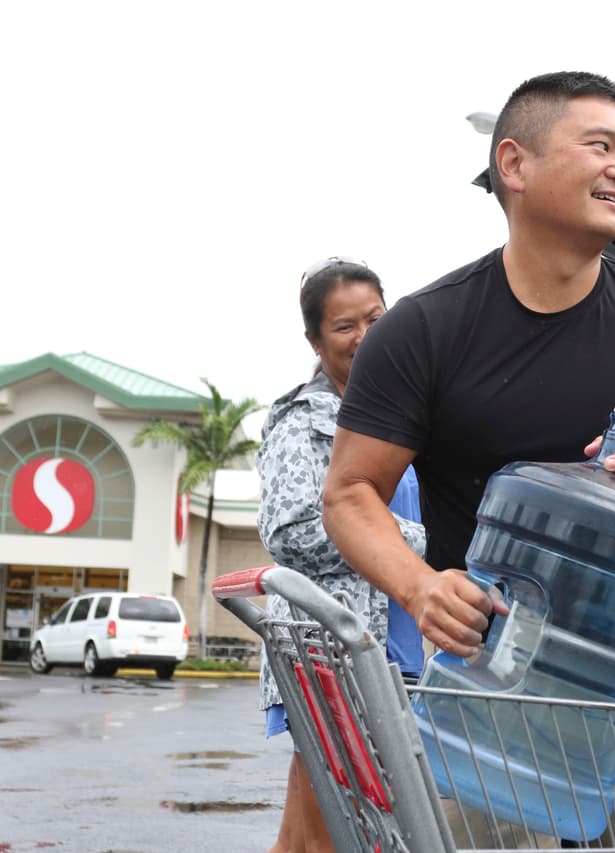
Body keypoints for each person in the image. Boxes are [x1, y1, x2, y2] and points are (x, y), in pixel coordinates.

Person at [322, 71, 615, 846]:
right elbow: (351, 492)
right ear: (514, 166)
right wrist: (423, 589)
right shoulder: (425, 329)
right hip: (483, 663)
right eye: (599, 146)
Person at [256, 257, 426, 853]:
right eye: (345, 326)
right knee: (340, 817)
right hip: (331, 647)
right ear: (315, 339)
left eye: (376, 319)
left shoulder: (408, 414)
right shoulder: (302, 424)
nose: (365, 338)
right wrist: (409, 542)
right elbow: (290, 531)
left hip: (397, 644)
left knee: (315, 825)